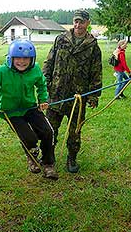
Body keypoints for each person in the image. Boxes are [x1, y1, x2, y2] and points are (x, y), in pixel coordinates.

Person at [0, 39, 58, 180]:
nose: (22, 61)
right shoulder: (1, 72)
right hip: (11, 112)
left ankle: (48, 164)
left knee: (48, 131)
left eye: (26, 58)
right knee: (29, 138)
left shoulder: (35, 69)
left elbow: (41, 84)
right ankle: (32, 157)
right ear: (11, 58)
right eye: (18, 58)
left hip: (30, 108)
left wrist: (43, 100)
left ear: (32, 59)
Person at [43, 9, 102, 173]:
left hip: (78, 97)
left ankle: (71, 158)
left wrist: (94, 95)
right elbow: (49, 62)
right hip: (57, 93)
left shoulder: (93, 46)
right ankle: (49, 157)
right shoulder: (60, 39)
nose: (78, 25)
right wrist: (44, 83)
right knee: (50, 129)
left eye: (82, 22)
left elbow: (96, 72)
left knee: (75, 131)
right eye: (76, 21)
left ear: (87, 23)